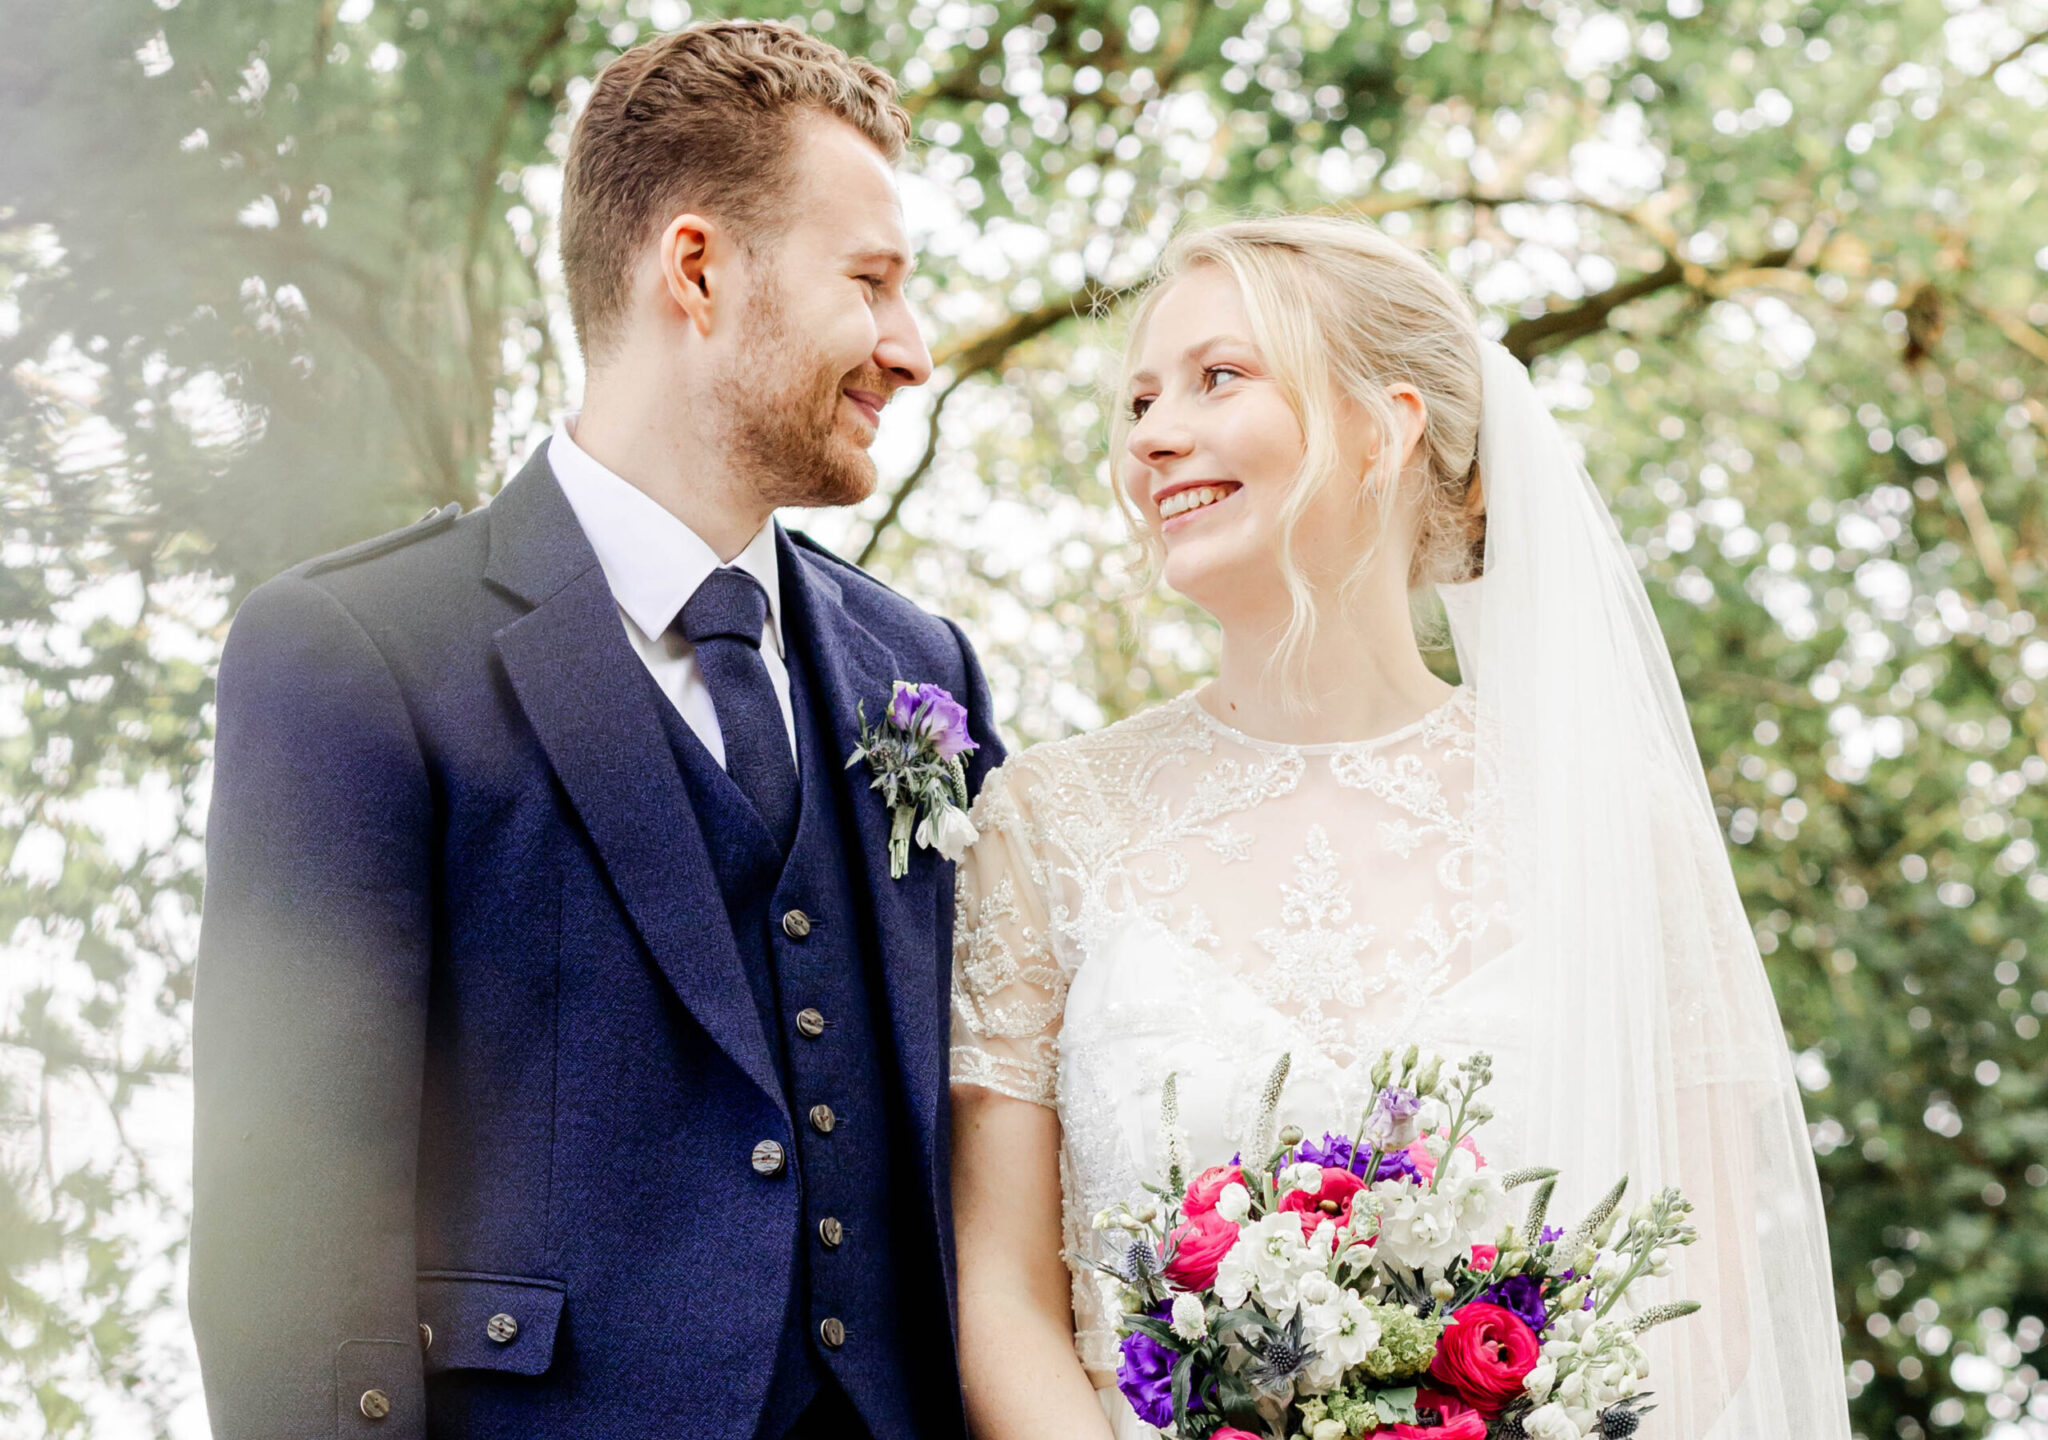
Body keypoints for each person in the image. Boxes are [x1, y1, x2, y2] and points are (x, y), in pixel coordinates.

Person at [189, 21, 1000, 1439]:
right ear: (697, 269)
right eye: (869, 284)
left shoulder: (917, 664)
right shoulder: (360, 652)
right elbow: (289, 1234)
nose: (909, 351)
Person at [948, 216, 1851, 1439]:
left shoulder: (1604, 818)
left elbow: (1698, 1291)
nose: (1152, 435)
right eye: (1137, 400)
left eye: (1218, 378)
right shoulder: (1049, 819)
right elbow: (998, 1288)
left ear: (1386, 425)